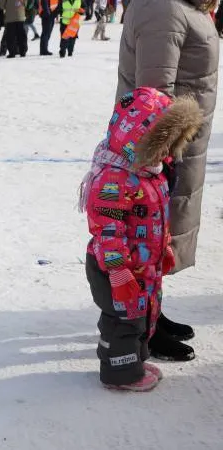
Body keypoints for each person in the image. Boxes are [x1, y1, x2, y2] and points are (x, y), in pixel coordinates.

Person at [116, 0, 219, 362]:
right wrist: (158, 162)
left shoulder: (184, 6)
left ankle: (152, 311)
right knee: (148, 237)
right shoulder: (164, 8)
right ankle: (143, 324)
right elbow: (153, 96)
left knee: (161, 239)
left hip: (180, 146)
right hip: (163, 152)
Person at [80, 87, 202, 391]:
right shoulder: (114, 177)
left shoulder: (150, 171)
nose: (166, 153)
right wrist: (118, 270)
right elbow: (107, 230)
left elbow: (156, 215)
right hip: (117, 269)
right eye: (160, 145)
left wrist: (165, 247)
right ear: (139, 140)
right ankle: (119, 374)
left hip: (143, 265)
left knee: (143, 315)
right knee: (123, 321)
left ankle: (133, 360)